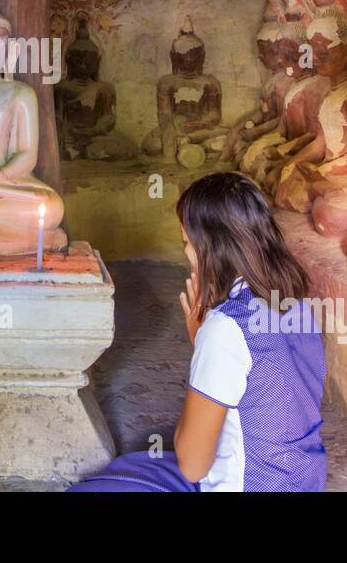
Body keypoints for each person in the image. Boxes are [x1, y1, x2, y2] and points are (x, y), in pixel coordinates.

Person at [70, 172, 326, 492]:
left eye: (188, 244)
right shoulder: (299, 305)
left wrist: (201, 345)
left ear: (211, 247)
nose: (188, 257)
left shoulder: (225, 328)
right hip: (304, 482)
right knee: (135, 465)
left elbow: (192, 466)